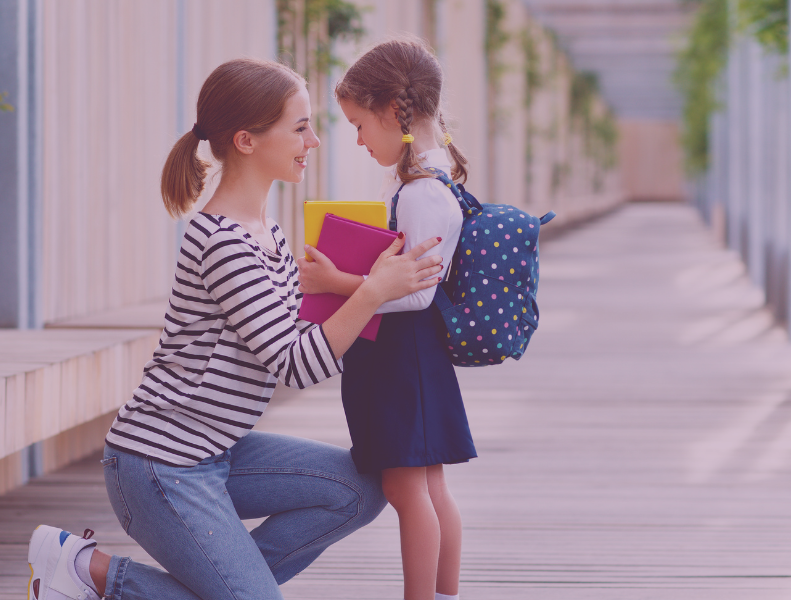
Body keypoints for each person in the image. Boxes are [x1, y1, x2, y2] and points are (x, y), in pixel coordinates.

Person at [24, 57, 446, 600]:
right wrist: (371, 292)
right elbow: (295, 364)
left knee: (361, 489)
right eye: (299, 128)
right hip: (160, 464)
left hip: (220, 449)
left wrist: (359, 285)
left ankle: (227, 586)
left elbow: (304, 332)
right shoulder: (224, 243)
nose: (313, 142)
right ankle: (89, 572)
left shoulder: (264, 230)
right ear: (247, 140)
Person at [296, 38, 476, 600]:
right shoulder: (425, 179)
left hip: (402, 358)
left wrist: (335, 284)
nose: (355, 138)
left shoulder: (421, 190)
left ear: (390, 111)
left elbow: (415, 295)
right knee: (430, 488)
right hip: (411, 357)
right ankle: (444, 591)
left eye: (358, 123)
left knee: (407, 492)